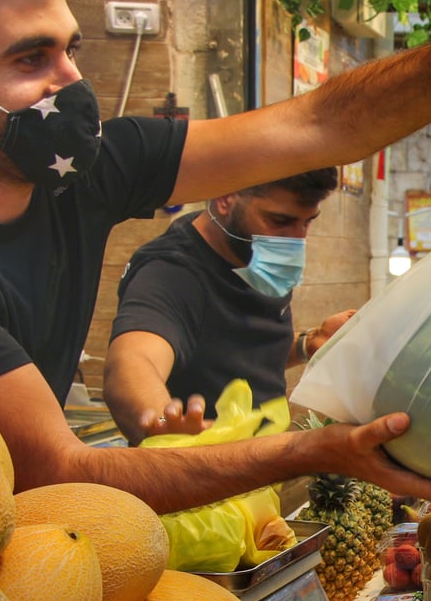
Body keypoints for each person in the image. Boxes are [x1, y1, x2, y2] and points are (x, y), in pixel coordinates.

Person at [0, 0, 431, 514]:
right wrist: (310, 449)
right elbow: (63, 466)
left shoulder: (88, 174)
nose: (71, 82)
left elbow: (322, 124)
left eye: (70, 49)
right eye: (29, 58)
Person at [104, 169, 356, 445]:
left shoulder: (253, 254)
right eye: (280, 221)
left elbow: (236, 350)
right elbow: (131, 363)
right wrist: (161, 424)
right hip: (203, 472)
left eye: (307, 223)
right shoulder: (171, 273)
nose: (295, 240)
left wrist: (307, 344)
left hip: (263, 465)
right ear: (226, 198)